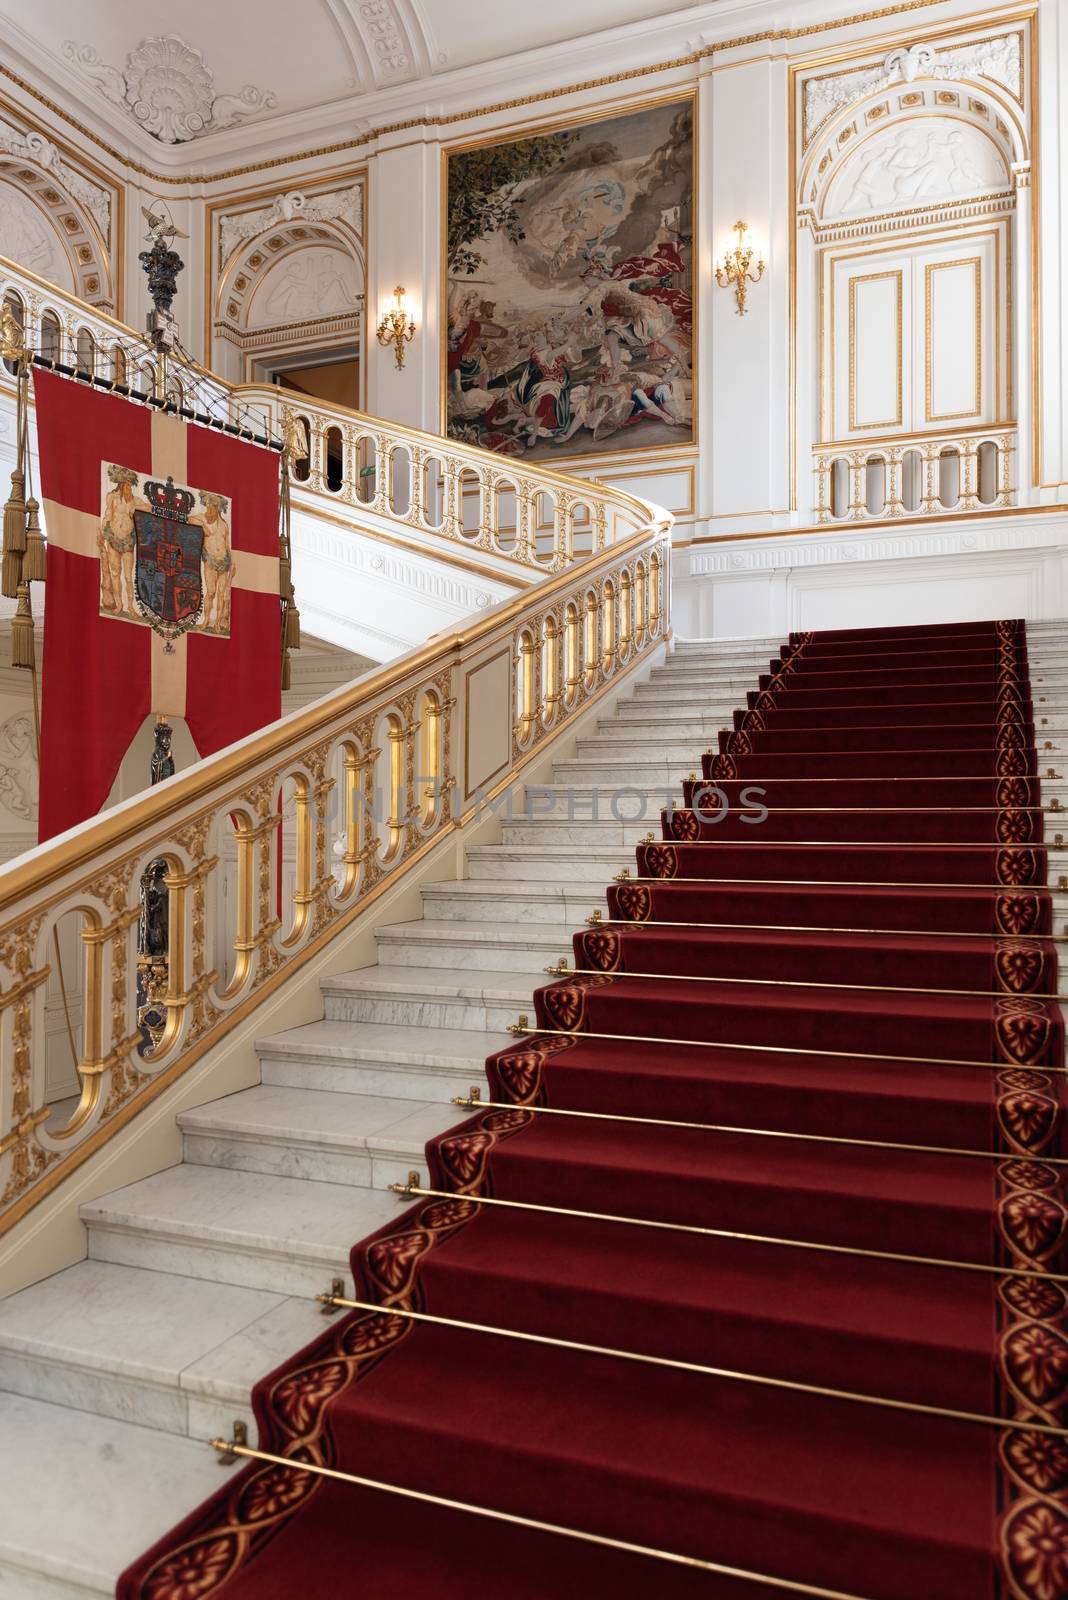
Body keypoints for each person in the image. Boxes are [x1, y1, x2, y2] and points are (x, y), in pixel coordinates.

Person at [99, 465, 145, 616]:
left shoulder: (135, 500)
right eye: (127, 485)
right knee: (115, 573)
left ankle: (131, 607)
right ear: (122, 484)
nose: (129, 488)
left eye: (131, 486)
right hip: (113, 538)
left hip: (128, 541)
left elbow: (148, 507)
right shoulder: (112, 497)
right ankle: (119, 605)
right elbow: (108, 515)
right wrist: (102, 530)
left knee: (128, 575)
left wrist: (138, 511)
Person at [197, 492, 233, 634]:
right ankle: (206, 619)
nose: (208, 510)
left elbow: (227, 545)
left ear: (217, 509)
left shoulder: (224, 525)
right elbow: (190, 519)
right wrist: (203, 526)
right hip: (210, 561)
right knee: (211, 592)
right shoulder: (203, 519)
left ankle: (217, 622)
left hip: (224, 562)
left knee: (222, 594)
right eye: (208, 507)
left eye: (211, 508)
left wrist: (232, 563)